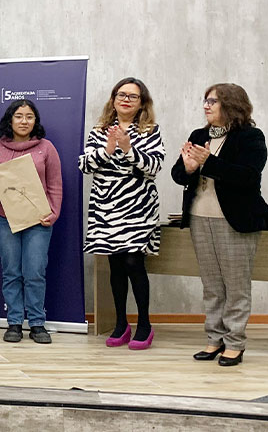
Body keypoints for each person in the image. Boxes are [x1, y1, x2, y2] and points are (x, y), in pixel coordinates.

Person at [171, 83, 268, 367]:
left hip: (235, 221)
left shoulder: (250, 137)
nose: (206, 105)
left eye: (212, 101)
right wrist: (189, 168)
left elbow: (248, 177)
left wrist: (209, 163)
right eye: (205, 100)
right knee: (212, 285)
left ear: (231, 105)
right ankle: (214, 338)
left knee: (236, 285)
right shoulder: (198, 135)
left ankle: (235, 343)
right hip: (199, 218)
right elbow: (179, 173)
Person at [79, 77, 165, 350]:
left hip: (138, 207)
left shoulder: (150, 130)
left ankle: (144, 324)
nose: (126, 99)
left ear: (142, 103)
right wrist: (107, 150)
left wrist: (128, 149)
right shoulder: (99, 130)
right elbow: (84, 164)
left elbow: (154, 167)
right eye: (121, 94)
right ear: (113, 99)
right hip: (106, 207)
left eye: (133, 96)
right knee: (115, 265)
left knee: (133, 263)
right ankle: (120, 323)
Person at [0, 99, 63, 344]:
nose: (24, 121)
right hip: (4, 218)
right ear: (10, 119)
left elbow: (55, 185)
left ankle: (37, 323)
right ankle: (14, 322)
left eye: (29, 116)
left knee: (35, 271)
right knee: (11, 272)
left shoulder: (46, 148)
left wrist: (54, 212)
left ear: (35, 120)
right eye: (19, 116)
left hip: (38, 219)